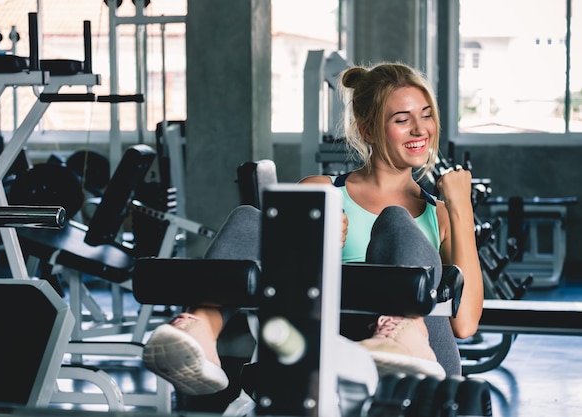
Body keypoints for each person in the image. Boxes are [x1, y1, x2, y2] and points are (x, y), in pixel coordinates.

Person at [142, 62, 483, 395]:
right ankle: (201, 330)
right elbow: (289, 281)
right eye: (401, 119)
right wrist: (313, 246)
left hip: (425, 362)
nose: (420, 130)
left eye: (426, 115)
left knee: (396, 221)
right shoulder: (322, 191)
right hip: (334, 342)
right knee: (248, 218)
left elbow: (465, 324)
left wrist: (460, 208)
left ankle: (403, 339)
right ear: (366, 130)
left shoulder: (439, 214)